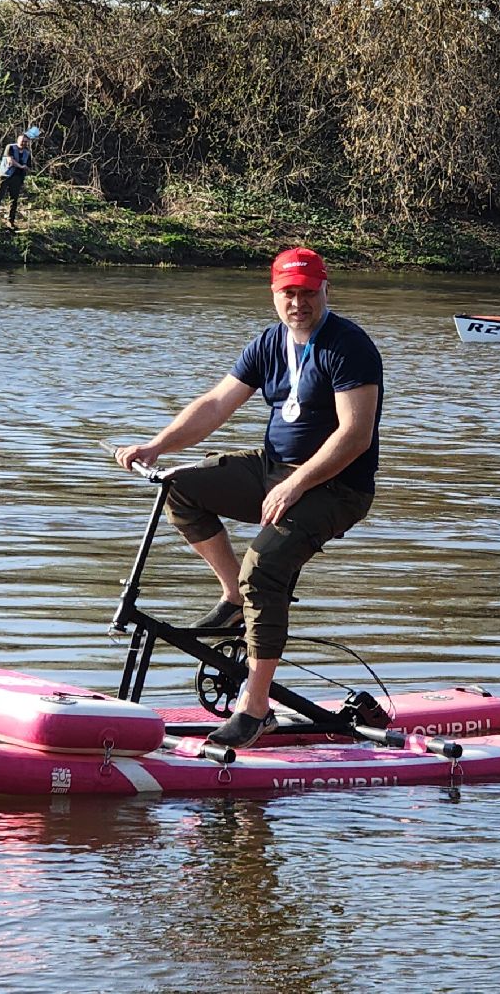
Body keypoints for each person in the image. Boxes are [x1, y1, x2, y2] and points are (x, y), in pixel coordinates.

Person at [112, 247, 383, 748]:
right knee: (181, 484)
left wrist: (296, 483)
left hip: (337, 487)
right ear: (274, 295)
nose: (297, 302)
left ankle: (256, 711)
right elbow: (215, 404)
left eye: (307, 292)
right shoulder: (267, 343)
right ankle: (234, 599)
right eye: (288, 293)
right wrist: (155, 446)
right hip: (272, 470)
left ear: (327, 290)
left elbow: (355, 435)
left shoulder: (350, 347)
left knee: (264, 569)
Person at [0, 126, 39, 227]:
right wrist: (21, 166)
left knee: (14, 200)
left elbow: (29, 167)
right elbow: (10, 161)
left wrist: (27, 169)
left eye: (25, 142)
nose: (23, 143)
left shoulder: (27, 153)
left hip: (17, 178)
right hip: (5, 175)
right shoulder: (10, 147)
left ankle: (10, 221)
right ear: (18, 140)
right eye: (22, 141)